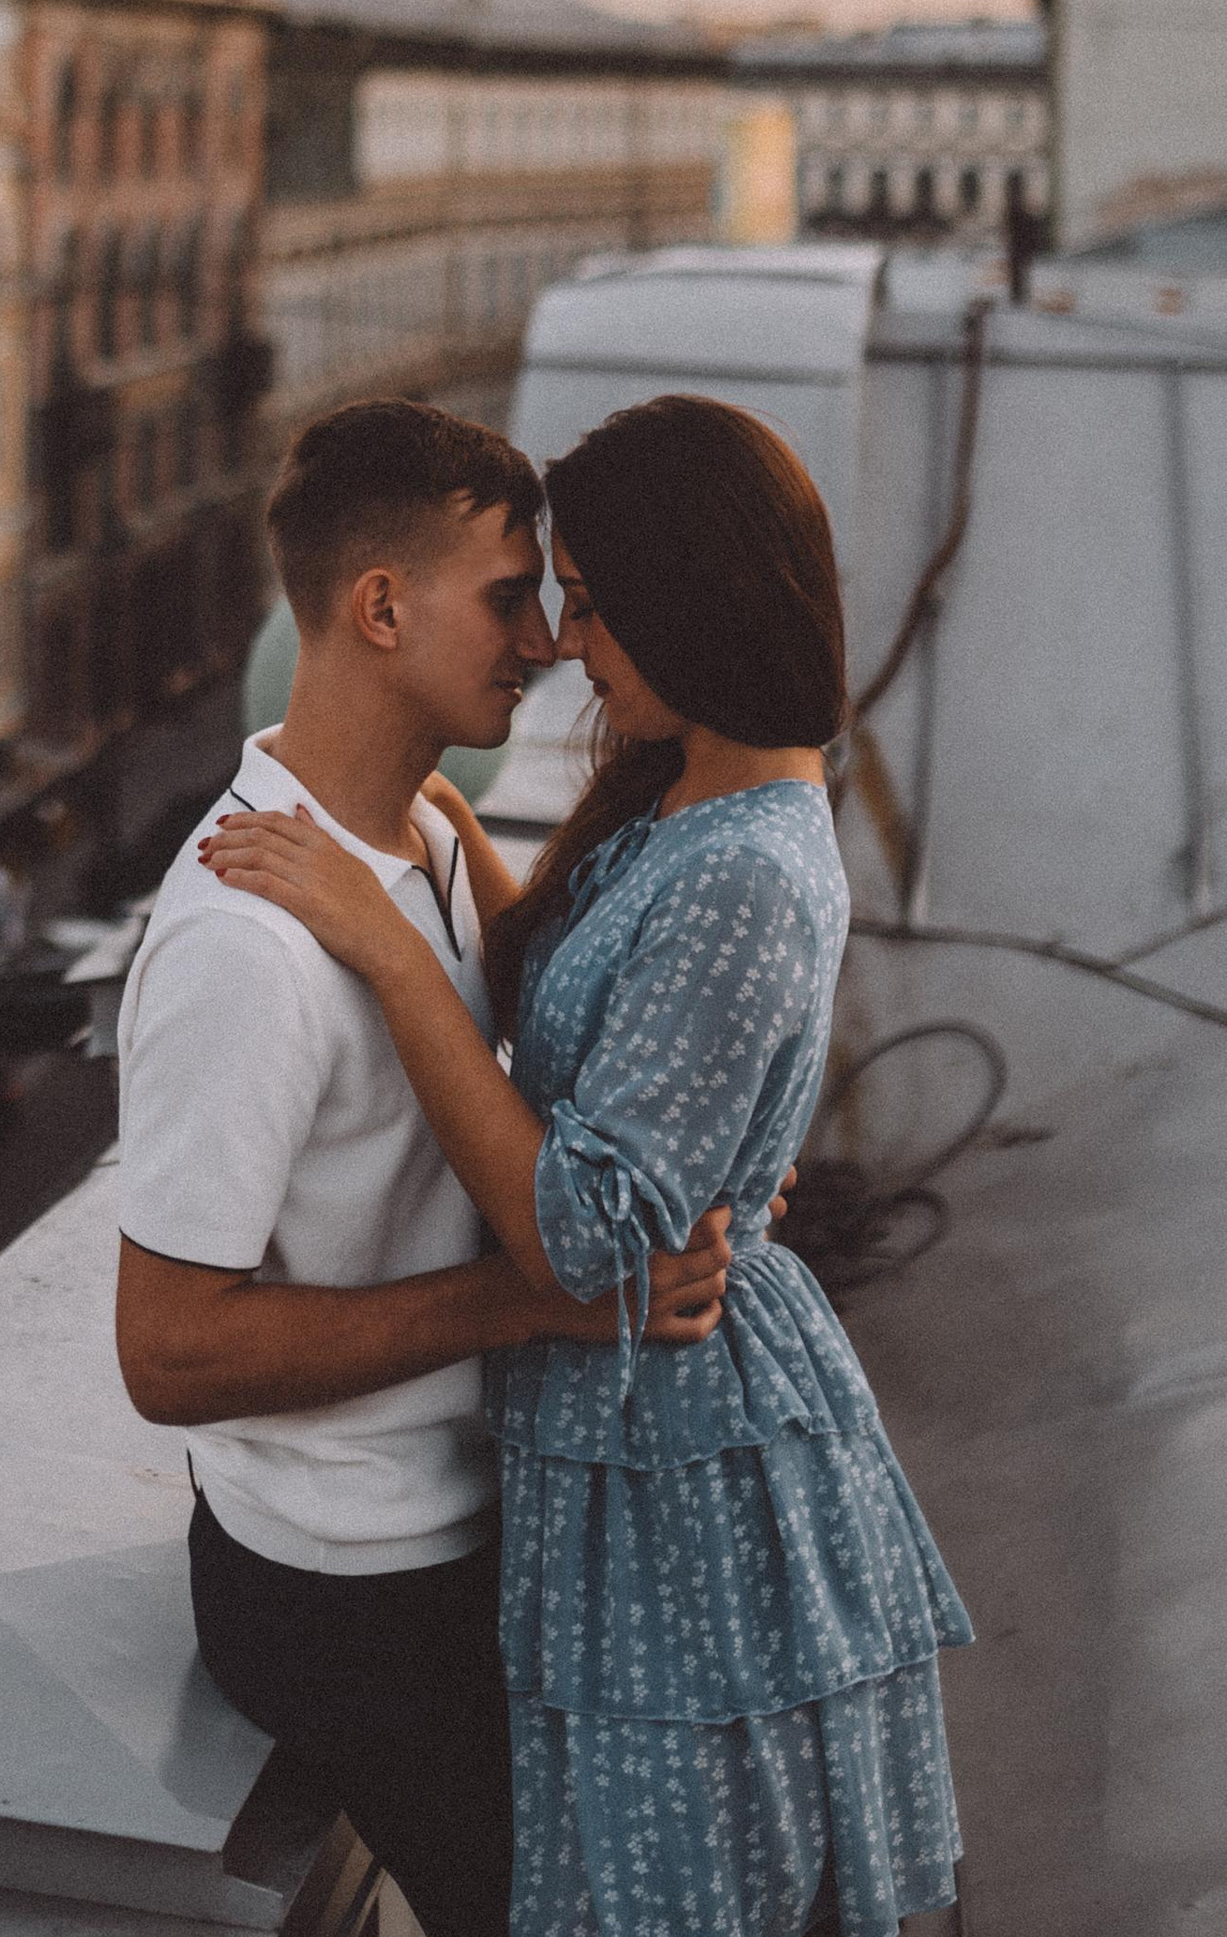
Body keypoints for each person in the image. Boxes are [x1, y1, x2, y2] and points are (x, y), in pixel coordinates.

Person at [202, 395, 970, 1937]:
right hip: (625, 1417)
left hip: (679, 1445)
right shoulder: (684, 784)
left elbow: (574, 1238)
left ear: (699, 602)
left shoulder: (750, 862)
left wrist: (375, 940)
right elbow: (564, 976)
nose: (565, 639)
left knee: (666, 1887)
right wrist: (410, 813)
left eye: (598, 605)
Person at [114, 400, 738, 1937]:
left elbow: (565, 1049)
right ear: (379, 606)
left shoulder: (433, 833)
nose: (546, 639)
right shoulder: (244, 939)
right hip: (342, 1592)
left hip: (469, 1525)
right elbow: (166, 1350)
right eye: (509, 596)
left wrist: (700, 1168)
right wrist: (534, 1304)